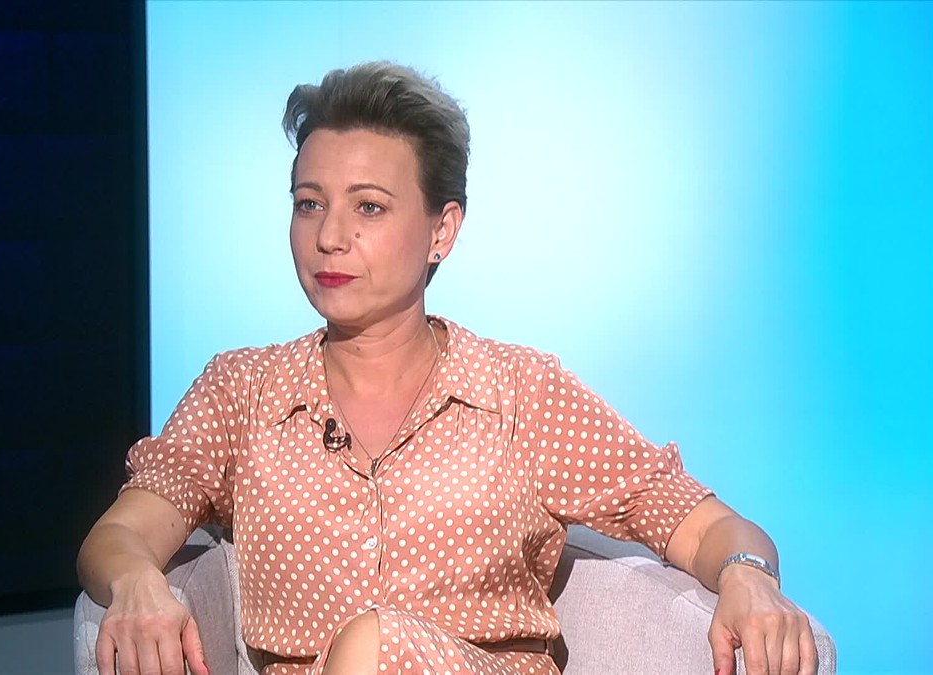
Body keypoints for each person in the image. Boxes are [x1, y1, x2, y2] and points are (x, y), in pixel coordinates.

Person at [77, 61, 818, 675]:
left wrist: (747, 575)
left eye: (369, 208)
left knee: (377, 643)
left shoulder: (520, 393)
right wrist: (136, 578)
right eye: (309, 204)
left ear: (443, 229)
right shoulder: (242, 391)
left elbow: (706, 525)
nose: (330, 236)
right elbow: (119, 534)